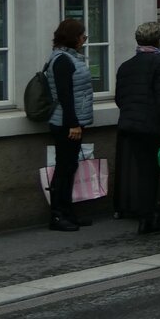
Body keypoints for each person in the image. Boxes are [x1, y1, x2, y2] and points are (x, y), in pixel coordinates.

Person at [114, 21, 160, 234]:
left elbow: (120, 99)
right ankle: (158, 215)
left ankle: (146, 216)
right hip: (155, 127)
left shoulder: (126, 66)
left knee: (145, 172)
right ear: (159, 40)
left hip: (131, 127)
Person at [44, 18, 95, 232]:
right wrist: (73, 124)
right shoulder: (63, 60)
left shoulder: (68, 58)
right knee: (64, 168)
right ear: (73, 37)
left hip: (71, 121)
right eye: (82, 35)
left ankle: (67, 211)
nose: (84, 39)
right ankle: (57, 215)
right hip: (66, 123)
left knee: (70, 167)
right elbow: (65, 96)